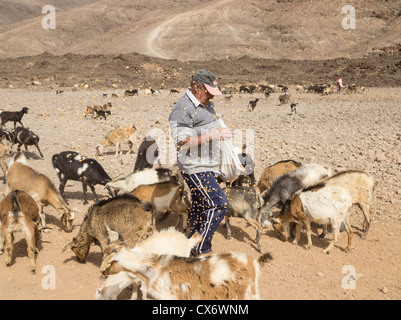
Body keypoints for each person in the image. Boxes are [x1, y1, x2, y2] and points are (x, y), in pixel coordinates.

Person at [168, 70, 232, 255]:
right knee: (219, 204)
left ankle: (187, 248)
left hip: (207, 165)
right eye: (209, 91)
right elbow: (183, 143)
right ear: (197, 87)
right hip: (195, 167)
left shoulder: (205, 103)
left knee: (200, 207)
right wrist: (215, 135)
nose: (213, 96)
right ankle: (199, 248)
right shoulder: (182, 110)